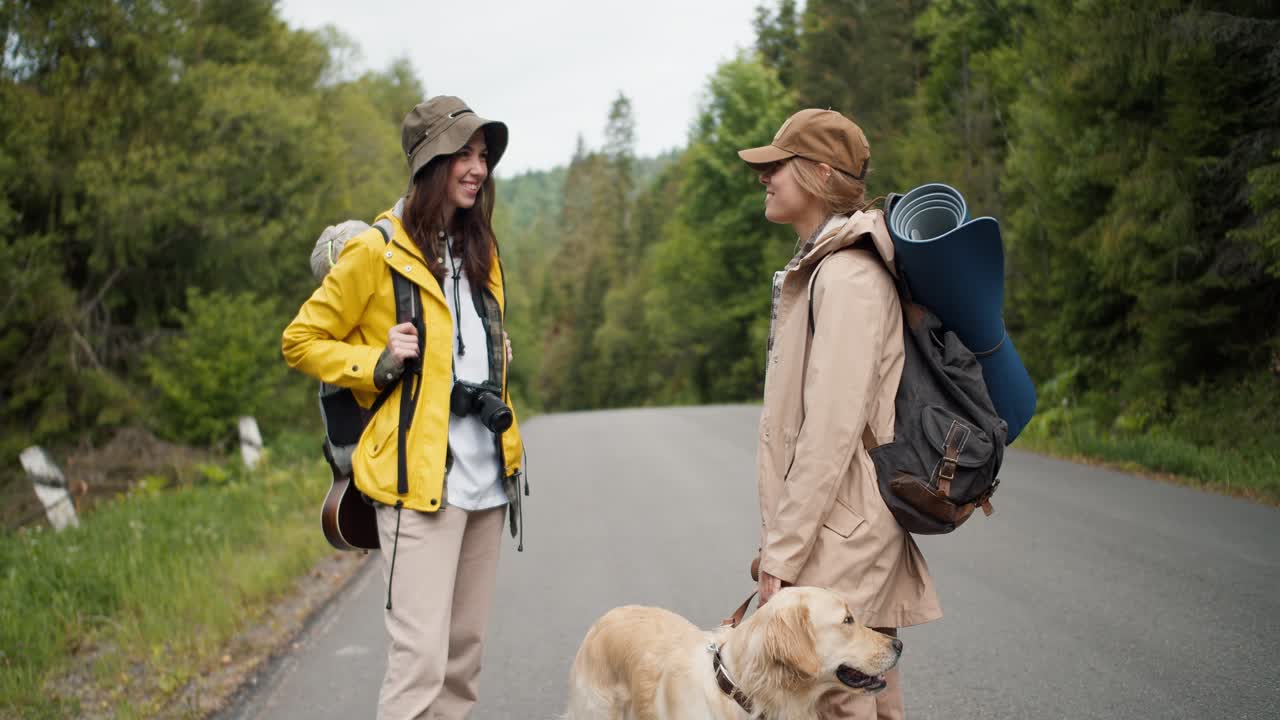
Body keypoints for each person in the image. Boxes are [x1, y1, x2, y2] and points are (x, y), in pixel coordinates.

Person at [282, 95, 525, 720]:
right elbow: (300, 341)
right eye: (461, 154)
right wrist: (377, 362)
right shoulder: (376, 250)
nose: (476, 167)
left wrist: (492, 359)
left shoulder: (480, 250)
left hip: (488, 482)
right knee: (418, 667)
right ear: (428, 162)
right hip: (417, 485)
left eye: (483, 155)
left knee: (462, 664)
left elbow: (468, 350)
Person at [739, 109, 940, 720]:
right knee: (870, 694)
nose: (765, 178)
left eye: (778, 166)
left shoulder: (848, 274)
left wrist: (784, 551)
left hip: (843, 525)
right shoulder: (828, 266)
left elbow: (830, 429)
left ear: (820, 174)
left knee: (836, 700)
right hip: (844, 519)